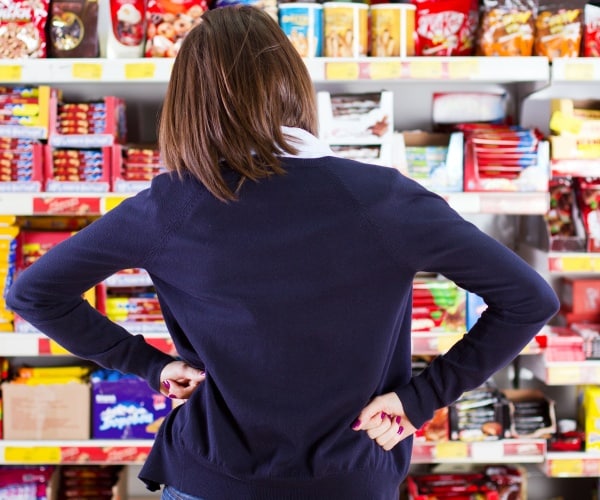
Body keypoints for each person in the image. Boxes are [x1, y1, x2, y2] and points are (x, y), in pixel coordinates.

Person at [6, 5, 559, 500]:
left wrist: (150, 367)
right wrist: (421, 399)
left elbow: (34, 292)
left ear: (188, 104)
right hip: (351, 477)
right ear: (292, 87)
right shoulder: (384, 199)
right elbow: (528, 299)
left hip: (209, 477)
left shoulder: (171, 205)